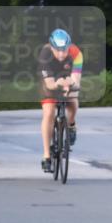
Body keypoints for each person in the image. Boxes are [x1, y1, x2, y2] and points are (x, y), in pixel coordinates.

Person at [39, 29, 82, 172]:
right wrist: (58, 84)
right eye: (58, 50)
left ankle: (71, 124)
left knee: (73, 99)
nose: (62, 54)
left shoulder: (76, 54)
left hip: (67, 78)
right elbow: (50, 84)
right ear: (51, 47)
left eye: (64, 50)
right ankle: (46, 156)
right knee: (49, 111)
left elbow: (77, 83)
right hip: (51, 80)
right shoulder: (45, 54)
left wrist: (70, 84)